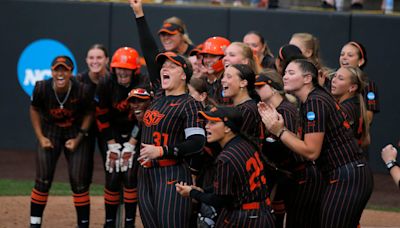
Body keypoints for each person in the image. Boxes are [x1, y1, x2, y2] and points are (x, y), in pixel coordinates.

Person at [259, 59, 373, 227]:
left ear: (307, 78)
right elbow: (305, 144)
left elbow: (311, 151)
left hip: (348, 176)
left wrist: (279, 131)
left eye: (291, 73)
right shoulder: (312, 100)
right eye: (285, 73)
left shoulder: (315, 101)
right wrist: (280, 127)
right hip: (344, 174)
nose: (284, 77)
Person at [130, 2, 206, 227]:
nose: (164, 68)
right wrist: (139, 15)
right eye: (163, 65)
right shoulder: (158, 95)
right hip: (146, 175)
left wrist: (162, 150)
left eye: (171, 66)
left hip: (171, 175)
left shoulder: (190, 104)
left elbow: (197, 142)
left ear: (184, 75)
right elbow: (149, 50)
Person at [176, 106, 275, 228]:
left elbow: (220, 200)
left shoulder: (226, 157)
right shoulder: (244, 143)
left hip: (245, 218)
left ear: (228, 128)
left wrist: (192, 193)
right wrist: (204, 190)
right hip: (263, 213)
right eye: (207, 122)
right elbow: (234, 185)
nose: (207, 126)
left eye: (213, 122)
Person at [29, 56, 94, 228]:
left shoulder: (82, 90)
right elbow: (34, 109)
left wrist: (79, 138)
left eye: (64, 69)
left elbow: (89, 113)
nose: (60, 73)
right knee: (42, 180)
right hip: (50, 132)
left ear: (71, 72)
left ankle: (83, 224)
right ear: (51, 71)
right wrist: (41, 137)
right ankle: (34, 223)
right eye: (57, 69)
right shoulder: (41, 88)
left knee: (79, 182)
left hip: (74, 133)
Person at [95, 46, 145, 228]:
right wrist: (112, 144)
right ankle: (109, 223)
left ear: (135, 70)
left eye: (127, 68)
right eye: (119, 67)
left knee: (131, 175)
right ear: (113, 68)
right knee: (113, 174)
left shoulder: (143, 83)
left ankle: (129, 223)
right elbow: (101, 115)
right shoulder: (105, 83)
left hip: (136, 132)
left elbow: (143, 117)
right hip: (112, 133)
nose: (122, 72)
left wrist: (132, 144)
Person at [254, 69, 301, 228]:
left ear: (273, 87)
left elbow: (286, 146)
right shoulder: (270, 108)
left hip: (290, 171)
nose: (256, 89)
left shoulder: (285, 110)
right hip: (278, 171)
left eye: (260, 86)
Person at [76, 44, 110, 183]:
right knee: (82, 169)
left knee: (113, 168)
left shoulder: (113, 79)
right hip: (86, 129)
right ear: (86, 60)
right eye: (91, 58)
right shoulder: (79, 80)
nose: (95, 61)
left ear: (107, 60)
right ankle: (83, 204)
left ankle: (116, 203)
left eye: (99, 57)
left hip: (108, 128)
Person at [339, 41, 379, 127]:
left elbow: (368, 119)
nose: (344, 58)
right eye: (342, 54)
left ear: (360, 61)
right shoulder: (332, 80)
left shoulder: (367, 85)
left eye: (350, 55)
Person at [331, 66, 370, 148]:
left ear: (352, 87)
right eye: (334, 76)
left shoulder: (345, 109)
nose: (334, 80)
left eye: (340, 78)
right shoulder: (356, 104)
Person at [221, 64, 261, 145]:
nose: (222, 80)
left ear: (243, 83)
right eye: (223, 76)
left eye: (228, 77)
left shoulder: (247, 110)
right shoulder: (243, 107)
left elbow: (237, 142)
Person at [199, 36, 231, 105]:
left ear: (225, 58)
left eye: (213, 56)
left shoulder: (230, 81)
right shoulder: (201, 81)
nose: (208, 60)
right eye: (205, 56)